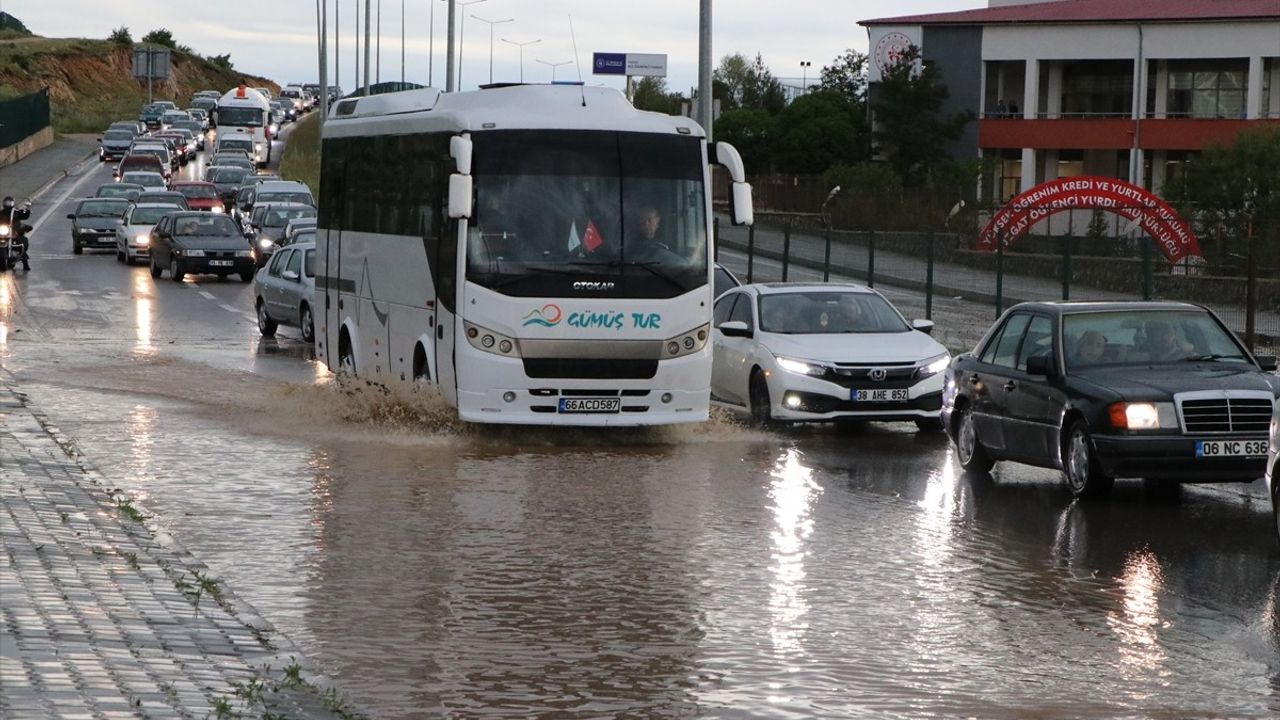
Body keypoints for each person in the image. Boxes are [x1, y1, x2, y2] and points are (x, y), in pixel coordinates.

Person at [2, 196, 33, 271]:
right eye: (7, 202)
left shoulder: (15, 212)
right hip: (3, 231)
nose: (8, 204)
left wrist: (27, 210)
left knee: (21, 242)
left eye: (10, 202)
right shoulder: (1, 212)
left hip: (14, 231)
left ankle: (25, 263)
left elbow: (24, 215)